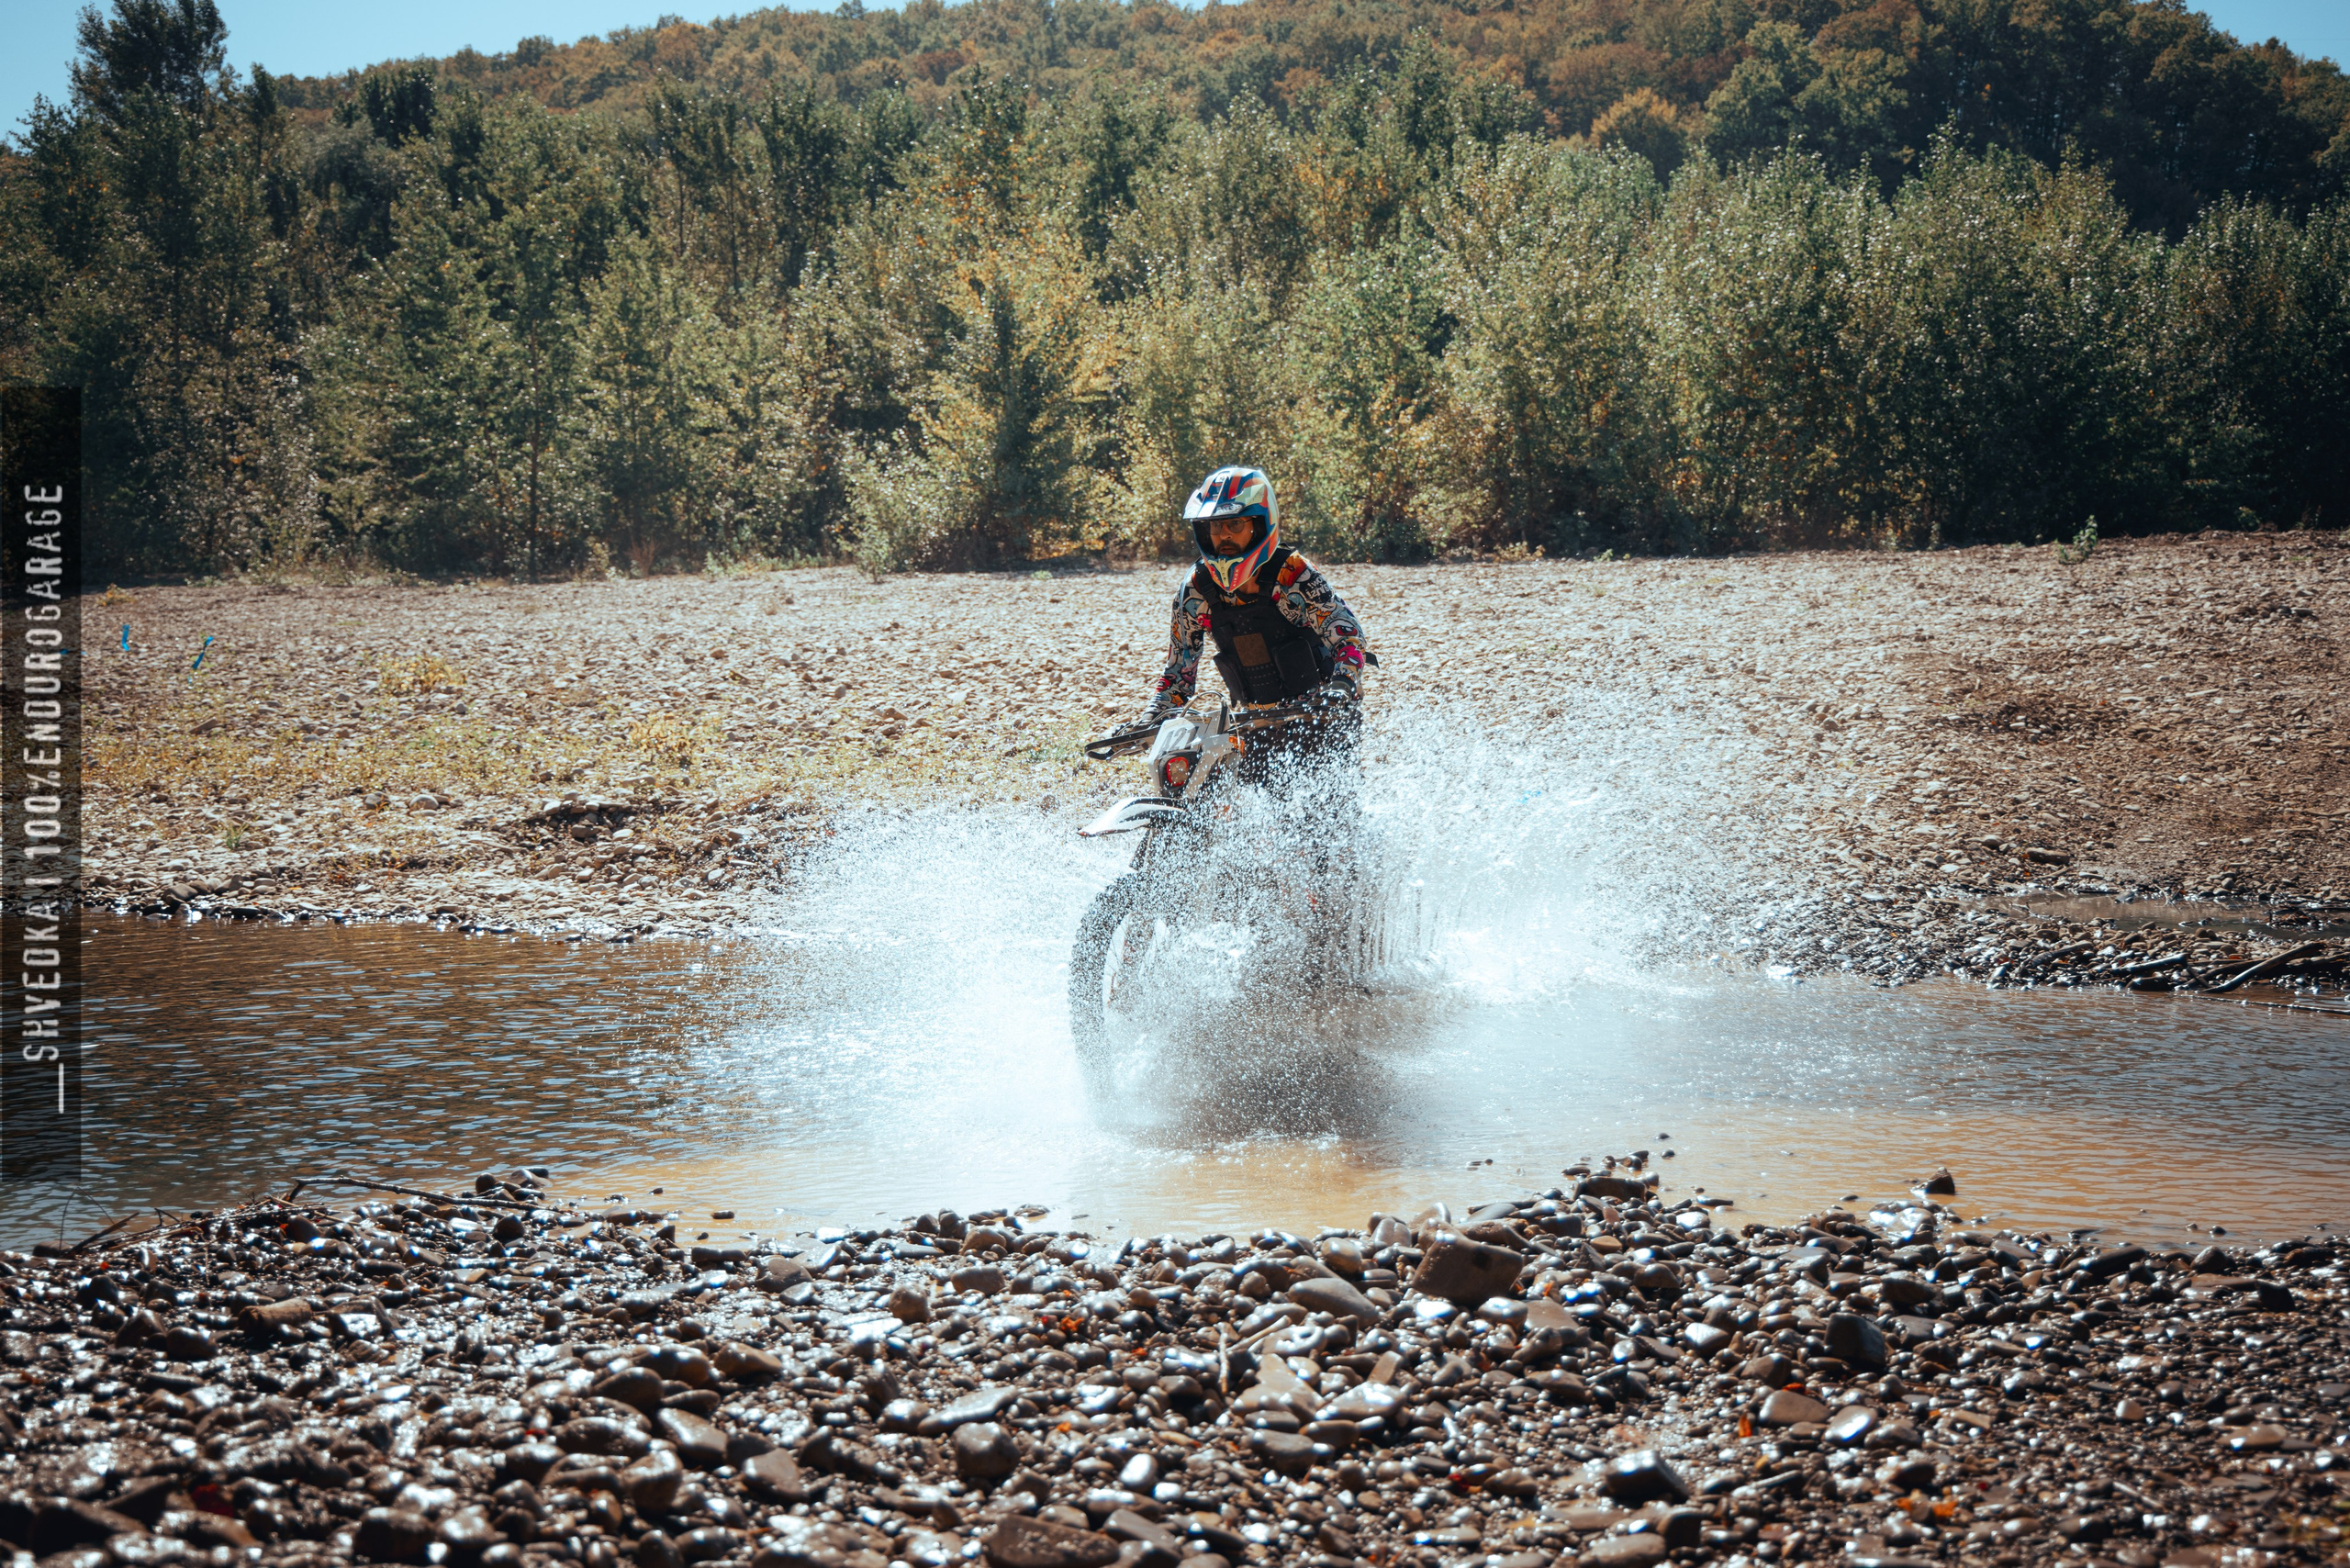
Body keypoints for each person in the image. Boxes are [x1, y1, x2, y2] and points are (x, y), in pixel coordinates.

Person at [1131, 465, 1371, 789]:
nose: (1223, 536)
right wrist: (1151, 719)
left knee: (1324, 816)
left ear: (1260, 524)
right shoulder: (1196, 589)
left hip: (1322, 715)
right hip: (1254, 721)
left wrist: (1342, 685)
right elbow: (1178, 672)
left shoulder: (1294, 575)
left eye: (1234, 523)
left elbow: (1349, 636)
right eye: (1214, 526)